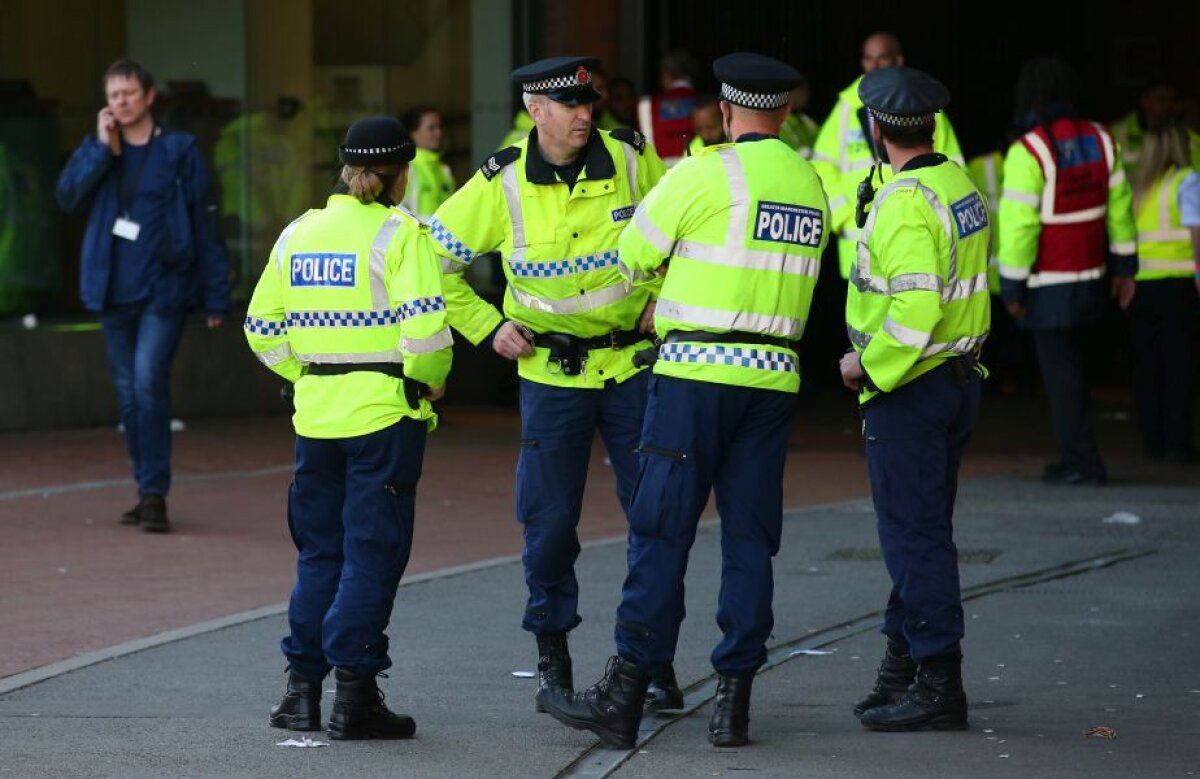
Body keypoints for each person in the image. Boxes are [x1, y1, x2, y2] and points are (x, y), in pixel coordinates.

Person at [543, 53, 829, 749]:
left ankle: (627, 690)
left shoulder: (704, 170)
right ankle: (734, 701)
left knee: (661, 528)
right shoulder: (810, 182)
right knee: (750, 539)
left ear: (726, 113)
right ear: (786, 113)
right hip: (772, 379)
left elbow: (632, 254)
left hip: (696, 373)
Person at [425, 56, 675, 714]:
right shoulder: (500, 182)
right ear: (537, 111)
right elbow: (431, 261)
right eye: (569, 106)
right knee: (549, 523)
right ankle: (552, 655)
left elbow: (685, 235)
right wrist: (485, 327)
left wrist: (667, 296)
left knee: (654, 514)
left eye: (588, 102)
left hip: (629, 367)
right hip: (550, 376)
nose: (585, 114)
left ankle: (653, 658)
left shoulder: (629, 157)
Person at [245, 116, 453, 740]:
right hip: (385, 416)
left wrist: (303, 374)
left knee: (319, 554)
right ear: (401, 173)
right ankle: (356, 695)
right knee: (371, 554)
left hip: (317, 416)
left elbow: (260, 326)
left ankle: (302, 692)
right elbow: (425, 333)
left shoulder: (298, 233)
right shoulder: (401, 234)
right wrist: (429, 378)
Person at [838, 67, 991, 732]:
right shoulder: (960, 185)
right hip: (958, 381)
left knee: (914, 537)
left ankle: (937, 679)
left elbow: (916, 308)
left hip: (911, 386)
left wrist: (865, 367)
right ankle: (902, 666)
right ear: (930, 124)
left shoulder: (903, 200)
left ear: (877, 129)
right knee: (922, 530)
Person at [55, 58, 229, 534]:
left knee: (149, 383)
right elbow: (68, 199)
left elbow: (204, 219)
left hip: (164, 289)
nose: (121, 102)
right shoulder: (100, 150)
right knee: (129, 396)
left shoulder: (179, 149)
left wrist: (216, 295)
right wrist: (100, 149)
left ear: (149, 96)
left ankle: (155, 495)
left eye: (129, 93)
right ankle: (144, 487)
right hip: (112, 290)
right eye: (113, 96)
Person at [997, 57, 1138, 486]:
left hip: (1046, 284)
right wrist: (1126, 267)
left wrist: (1012, 288)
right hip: (1091, 277)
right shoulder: (1102, 138)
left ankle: (1083, 462)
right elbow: (1120, 210)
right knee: (1073, 372)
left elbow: (1020, 228)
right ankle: (1079, 456)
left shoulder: (1029, 150)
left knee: (1062, 378)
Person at [811, 32, 964, 279]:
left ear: (898, 60)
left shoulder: (924, 106)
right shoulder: (848, 106)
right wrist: (845, 216)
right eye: (868, 59)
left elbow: (953, 170)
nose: (874, 66)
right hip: (858, 245)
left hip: (916, 238)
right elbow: (820, 166)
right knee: (863, 316)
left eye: (882, 58)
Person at [1128, 123, 1200, 461]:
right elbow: (1196, 235)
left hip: (1142, 286)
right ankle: (1177, 443)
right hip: (1178, 285)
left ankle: (1152, 441)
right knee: (1179, 368)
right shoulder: (1186, 181)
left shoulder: (1141, 188)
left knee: (1148, 367)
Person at [1109, 81, 1200, 175]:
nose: (1168, 105)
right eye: (1162, 100)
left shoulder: (1187, 139)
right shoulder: (1116, 133)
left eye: (1171, 100)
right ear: (1145, 100)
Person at [637, 50, 698, 165]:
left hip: (661, 175)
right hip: (700, 172)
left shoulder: (646, 105)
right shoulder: (708, 105)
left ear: (666, 75)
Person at [399, 105, 455, 219]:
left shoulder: (444, 170)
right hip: (415, 236)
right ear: (413, 133)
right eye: (431, 128)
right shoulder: (405, 168)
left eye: (440, 127)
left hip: (444, 236)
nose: (439, 133)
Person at [779, 75, 819, 159]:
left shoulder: (808, 122)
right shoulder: (777, 122)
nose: (806, 94)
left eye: (806, 90)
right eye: (801, 90)